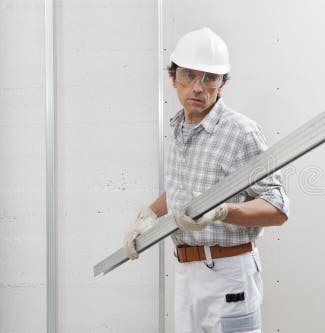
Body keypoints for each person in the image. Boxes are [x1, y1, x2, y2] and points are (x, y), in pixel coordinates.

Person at [122, 27, 289, 333]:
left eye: (209, 78)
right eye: (188, 75)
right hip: (186, 274)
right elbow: (183, 189)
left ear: (222, 84)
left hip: (229, 273)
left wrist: (224, 211)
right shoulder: (178, 128)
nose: (198, 87)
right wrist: (149, 215)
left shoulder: (241, 132)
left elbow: (277, 208)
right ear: (173, 78)